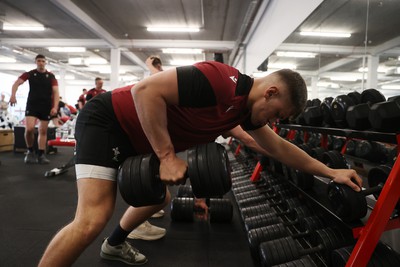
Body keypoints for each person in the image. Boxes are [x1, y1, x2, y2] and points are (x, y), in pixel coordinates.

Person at [38, 61, 362, 266]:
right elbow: (144, 91)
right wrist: (166, 157)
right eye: (277, 114)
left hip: (137, 137)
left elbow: (278, 148)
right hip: (109, 121)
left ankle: (114, 245)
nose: (275, 122)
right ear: (271, 92)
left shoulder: (240, 111)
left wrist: (331, 171)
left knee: (159, 198)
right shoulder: (220, 81)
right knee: (92, 217)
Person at [10, 54, 59, 164]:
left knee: (43, 130)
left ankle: (41, 154)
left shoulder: (51, 76)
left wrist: (55, 107)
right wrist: (13, 95)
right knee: (30, 129)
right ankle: (30, 150)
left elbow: (56, 92)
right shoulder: (30, 74)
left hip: (46, 106)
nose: (41, 63)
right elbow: (17, 83)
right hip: (32, 105)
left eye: (42, 61)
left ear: (45, 62)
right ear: (36, 62)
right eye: (39, 61)